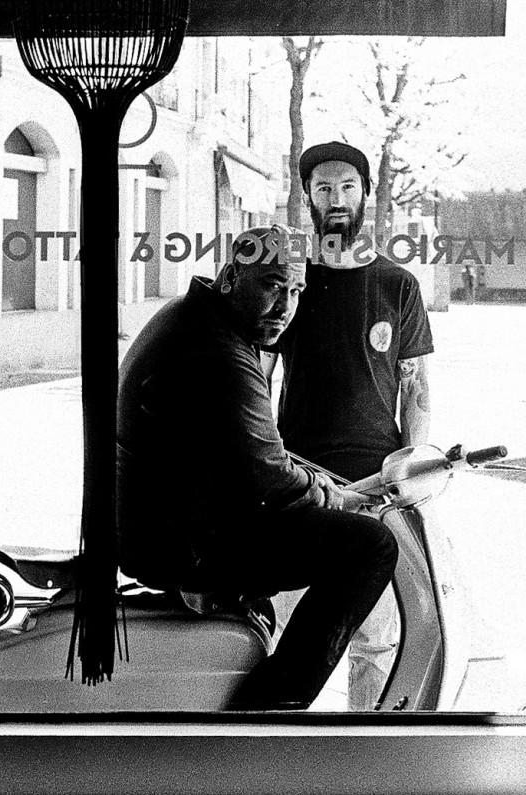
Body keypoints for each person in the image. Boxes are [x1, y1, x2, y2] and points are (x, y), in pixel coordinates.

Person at [117, 227, 399, 710]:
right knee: (369, 546)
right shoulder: (216, 347)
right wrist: (333, 495)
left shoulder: (203, 320)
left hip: (171, 521)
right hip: (179, 541)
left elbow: (248, 450)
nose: (285, 306)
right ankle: (270, 710)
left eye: (297, 290)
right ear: (231, 277)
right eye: (272, 284)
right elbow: (266, 476)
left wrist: (315, 483)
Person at [264, 141, 435, 710]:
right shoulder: (289, 284)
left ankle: (363, 741)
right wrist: (260, 466)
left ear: (365, 194)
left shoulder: (397, 285)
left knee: (376, 637)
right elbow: (257, 378)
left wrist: (413, 472)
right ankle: (277, 745)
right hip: (299, 484)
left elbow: (416, 387)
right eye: (323, 189)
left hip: (376, 488)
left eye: (346, 187)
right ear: (308, 198)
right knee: (286, 632)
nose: (335, 199)